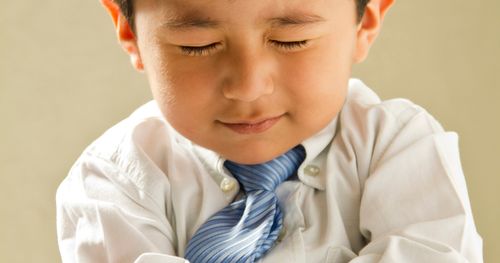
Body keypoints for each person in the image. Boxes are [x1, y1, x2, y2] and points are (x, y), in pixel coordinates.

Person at [56, 0, 483, 262]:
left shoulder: (396, 145)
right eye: (197, 45)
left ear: (365, 22)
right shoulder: (116, 179)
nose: (247, 86)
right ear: (130, 33)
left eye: (291, 40)